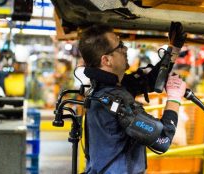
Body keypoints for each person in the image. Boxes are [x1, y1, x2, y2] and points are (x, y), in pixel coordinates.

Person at [78, 22, 187, 174]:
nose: (125, 48)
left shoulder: (104, 88)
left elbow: (150, 81)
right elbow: (163, 140)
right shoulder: (116, 100)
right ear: (106, 60)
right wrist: (174, 98)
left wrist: (173, 49)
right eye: (120, 46)